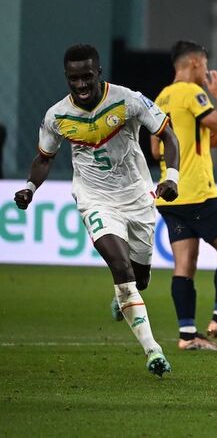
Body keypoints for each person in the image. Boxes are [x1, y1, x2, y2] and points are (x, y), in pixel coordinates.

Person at [14, 44, 180, 377]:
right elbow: (45, 158)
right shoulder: (56, 116)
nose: (81, 84)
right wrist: (30, 188)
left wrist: (171, 176)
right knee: (120, 267)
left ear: (98, 72)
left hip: (137, 196)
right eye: (74, 78)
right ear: (67, 77)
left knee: (140, 277)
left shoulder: (128, 100)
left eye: (86, 76)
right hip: (95, 198)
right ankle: (153, 351)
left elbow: (168, 136)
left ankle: (124, 299)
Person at [150, 40, 217, 351]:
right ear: (193, 63)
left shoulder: (160, 97)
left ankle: (188, 335)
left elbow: (155, 149)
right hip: (196, 191)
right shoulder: (192, 93)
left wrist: (201, 140)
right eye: (204, 65)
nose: (205, 71)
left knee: (184, 264)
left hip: (168, 192)